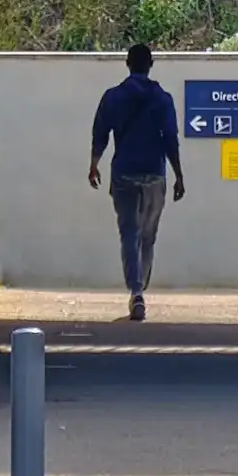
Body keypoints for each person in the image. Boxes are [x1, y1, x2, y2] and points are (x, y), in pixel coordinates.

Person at [86, 43, 185, 323]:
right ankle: (141, 287)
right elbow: (171, 140)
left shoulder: (113, 97)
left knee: (129, 232)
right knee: (148, 235)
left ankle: (137, 291)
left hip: (124, 173)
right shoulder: (163, 99)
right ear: (150, 64)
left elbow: (100, 133)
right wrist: (178, 174)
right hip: (155, 174)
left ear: (127, 64)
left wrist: (94, 163)